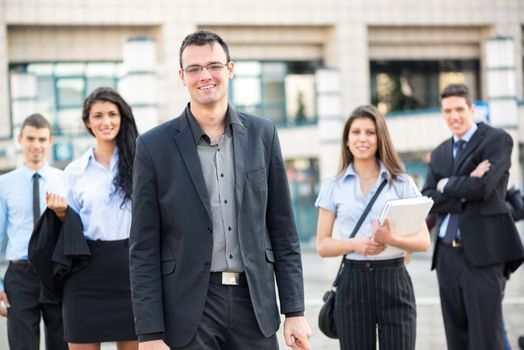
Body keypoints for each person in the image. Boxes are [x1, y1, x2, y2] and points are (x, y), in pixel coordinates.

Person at [129, 30, 311, 350]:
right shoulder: (153, 146)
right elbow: (143, 247)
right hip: (188, 306)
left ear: (230, 69)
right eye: (195, 69)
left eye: (213, 65)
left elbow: (283, 229)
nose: (205, 76)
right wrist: (149, 334)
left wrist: (294, 311)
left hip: (254, 302)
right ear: (182, 77)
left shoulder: (263, 134)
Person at [315, 105, 431, 350]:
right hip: (353, 281)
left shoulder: (401, 183)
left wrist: (393, 238)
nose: (362, 138)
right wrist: (353, 244)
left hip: (394, 279)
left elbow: (423, 241)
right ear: (347, 140)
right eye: (356, 132)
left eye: (370, 132)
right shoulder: (333, 186)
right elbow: (322, 245)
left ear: (380, 138)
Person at [422, 83, 524, 350]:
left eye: (459, 109)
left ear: (472, 109)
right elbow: (429, 199)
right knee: (456, 337)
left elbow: (483, 188)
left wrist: (446, 184)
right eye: (447, 111)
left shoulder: (497, 140)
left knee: (486, 339)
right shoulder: (440, 152)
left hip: (483, 253)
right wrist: (461, 184)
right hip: (446, 255)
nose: (453, 116)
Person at [46, 87, 139, 350]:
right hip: (85, 272)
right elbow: (70, 229)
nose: (106, 122)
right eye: (98, 116)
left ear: (122, 118)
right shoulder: (74, 171)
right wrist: (62, 213)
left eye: (112, 114)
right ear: (88, 122)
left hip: (131, 271)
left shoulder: (141, 162)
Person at [0, 114, 68, 350]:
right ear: (20, 139)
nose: (36, 146)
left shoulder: (65, 180)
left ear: (50, 140)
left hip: (56, 274)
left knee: (61, 344)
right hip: (20, 275)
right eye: (30, 139)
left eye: (41, 139)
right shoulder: (4, 183)